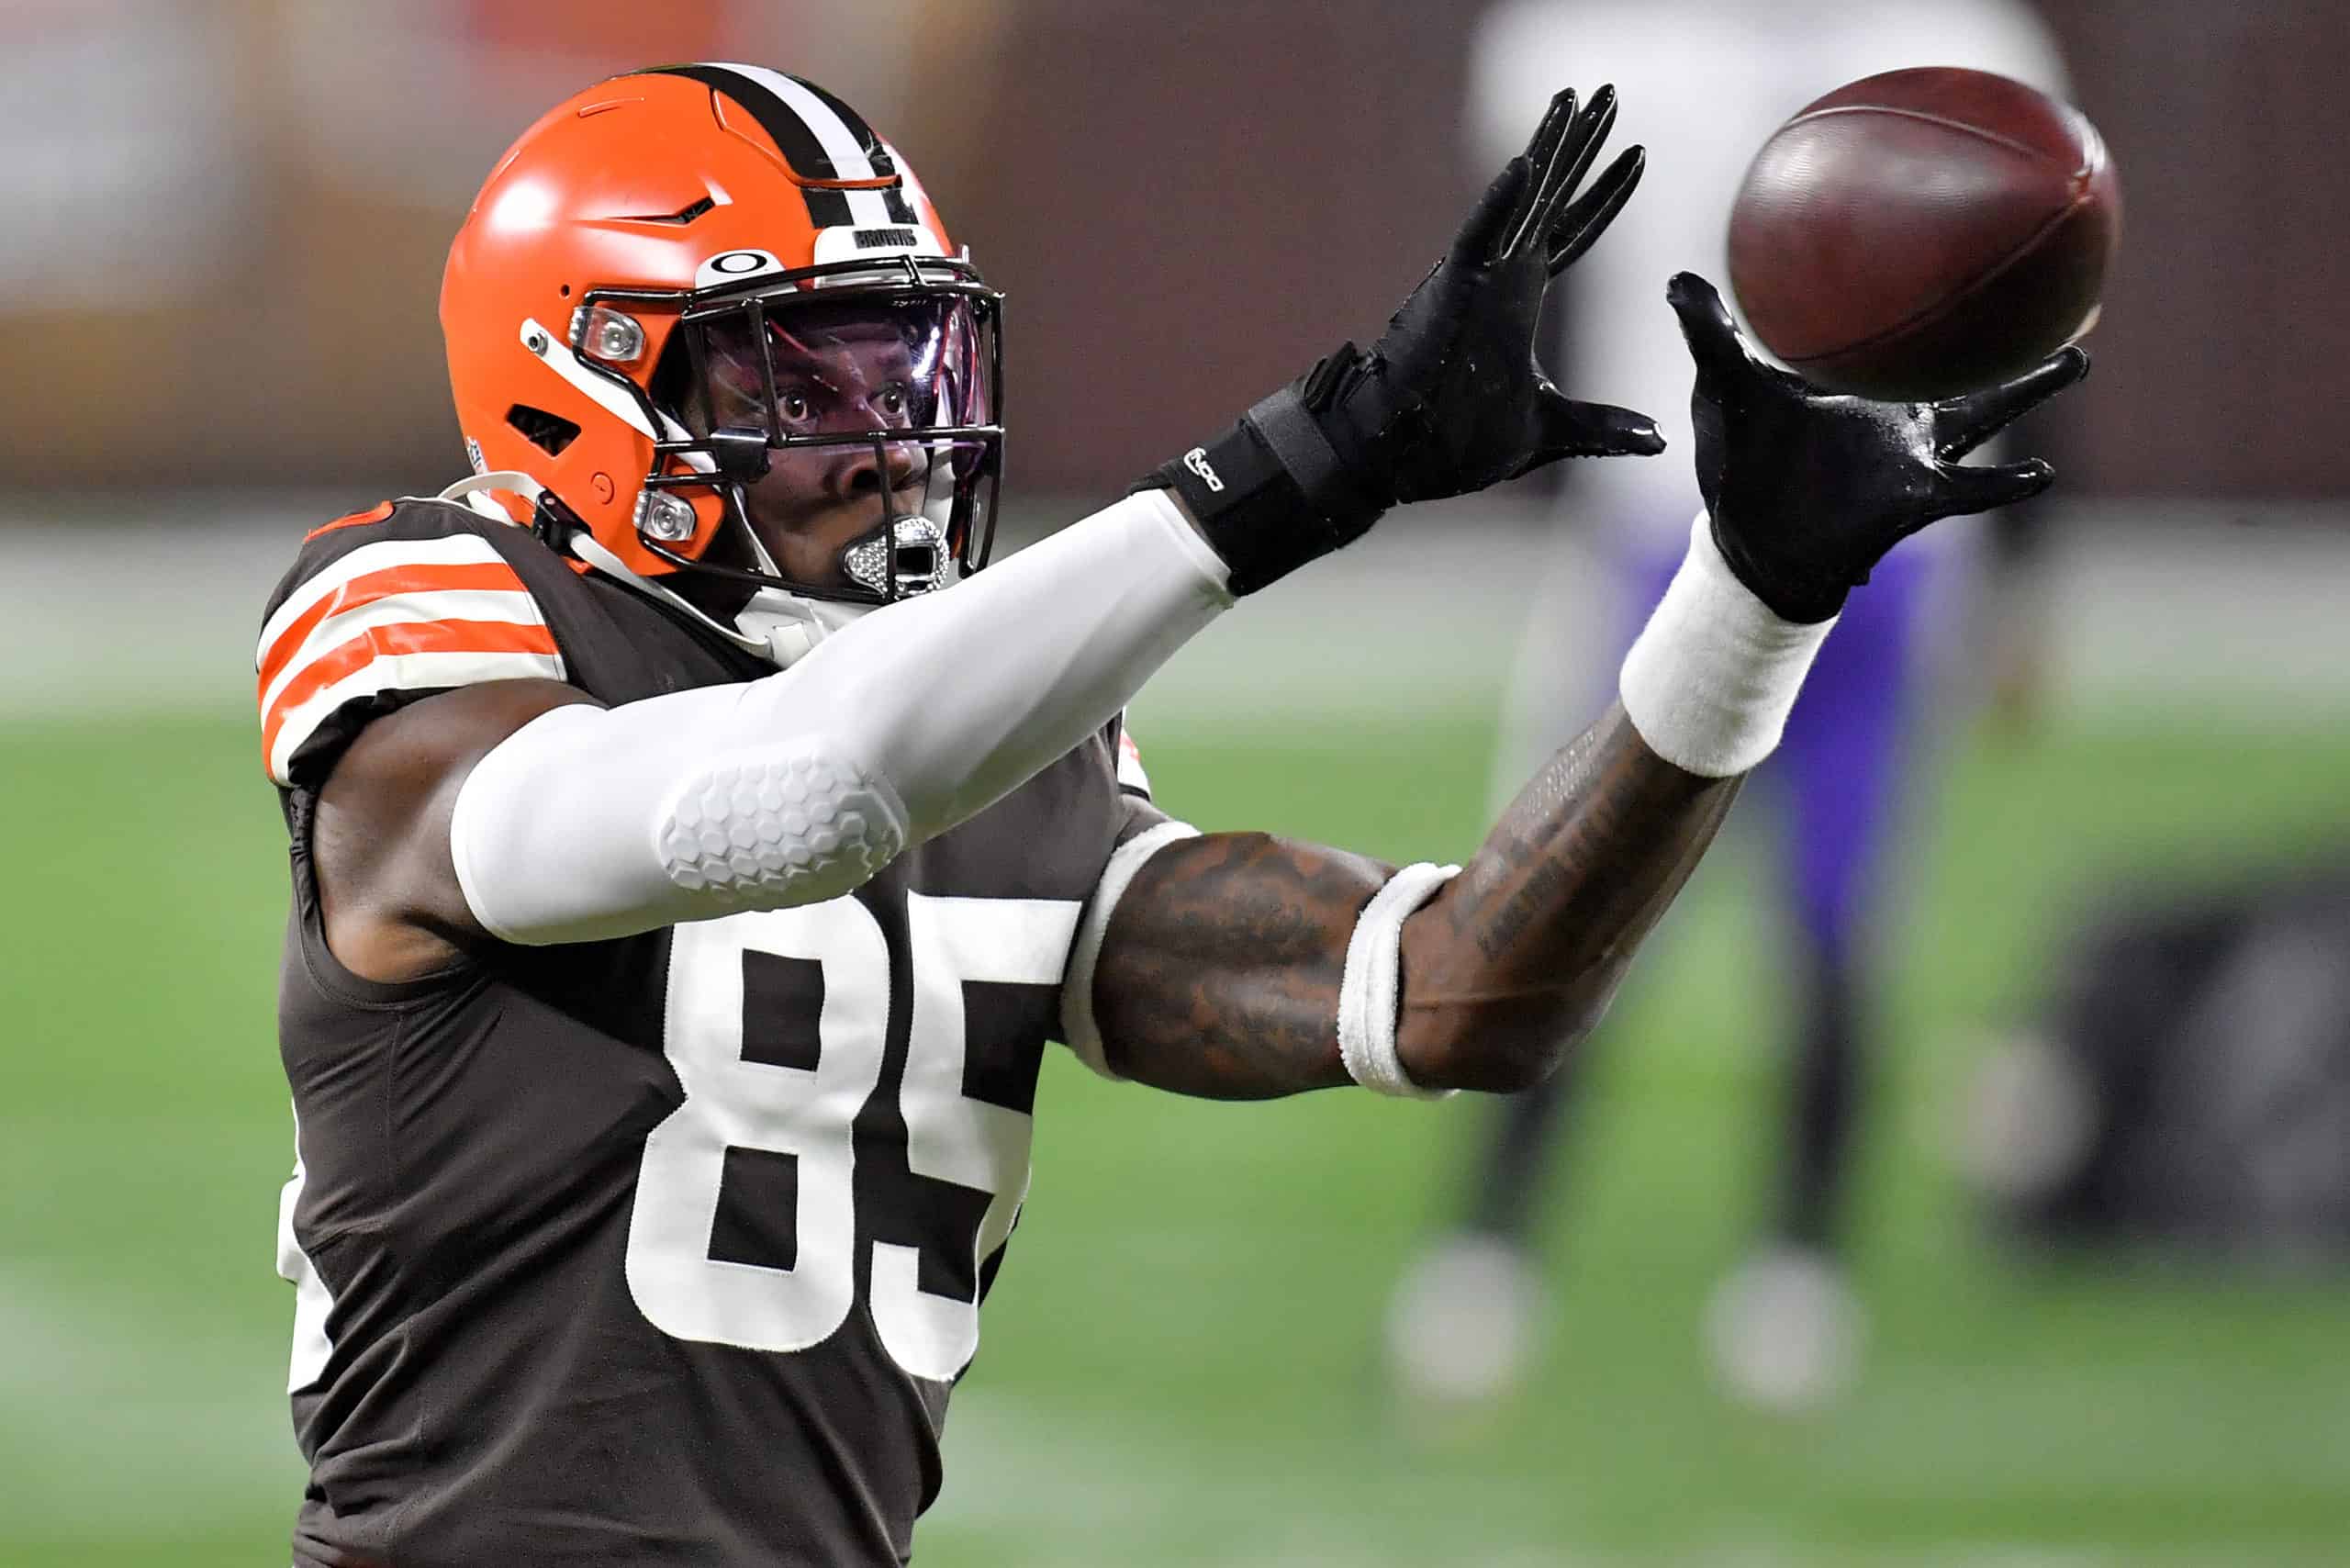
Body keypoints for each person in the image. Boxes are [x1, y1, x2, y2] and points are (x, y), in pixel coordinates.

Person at [260, 61, 2082, 1566]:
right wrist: (1310, 459)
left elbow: (1461, 989)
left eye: (904, 363)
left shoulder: (990, 725)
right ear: (575, 381)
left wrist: (1744, 597)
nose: (890, 436)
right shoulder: (427, 614)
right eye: (800, 378)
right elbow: (794, 790)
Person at [1386, 0, 2074, 1414]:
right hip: (1659, 532)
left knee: (1833, 922)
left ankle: (1794, 1278)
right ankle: (1486, 1262)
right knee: (1560, 913)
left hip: (1876, 550)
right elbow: (1534, 301)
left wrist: (2024, 570)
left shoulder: (1964, 38)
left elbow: (2034, 323)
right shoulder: (1600, 36)